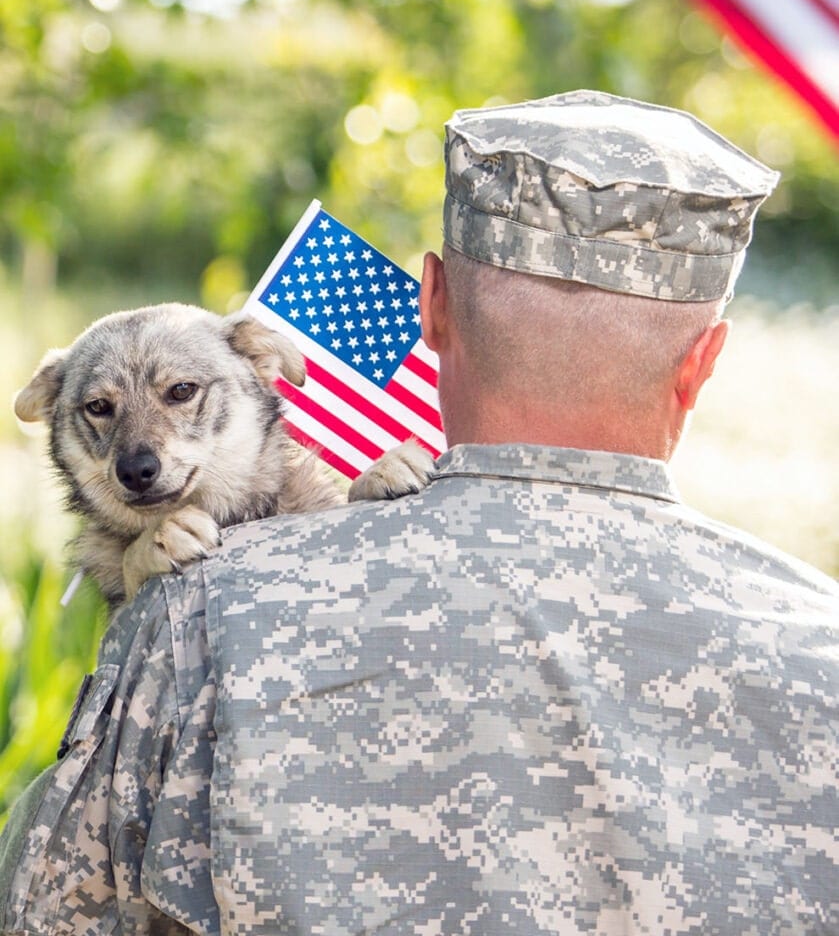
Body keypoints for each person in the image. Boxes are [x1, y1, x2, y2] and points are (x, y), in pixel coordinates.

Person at [1, 90, 837, 936]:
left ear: (430, 306)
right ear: (704, 362)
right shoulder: (823, 645)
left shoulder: (198, 611)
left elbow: (52, 913)